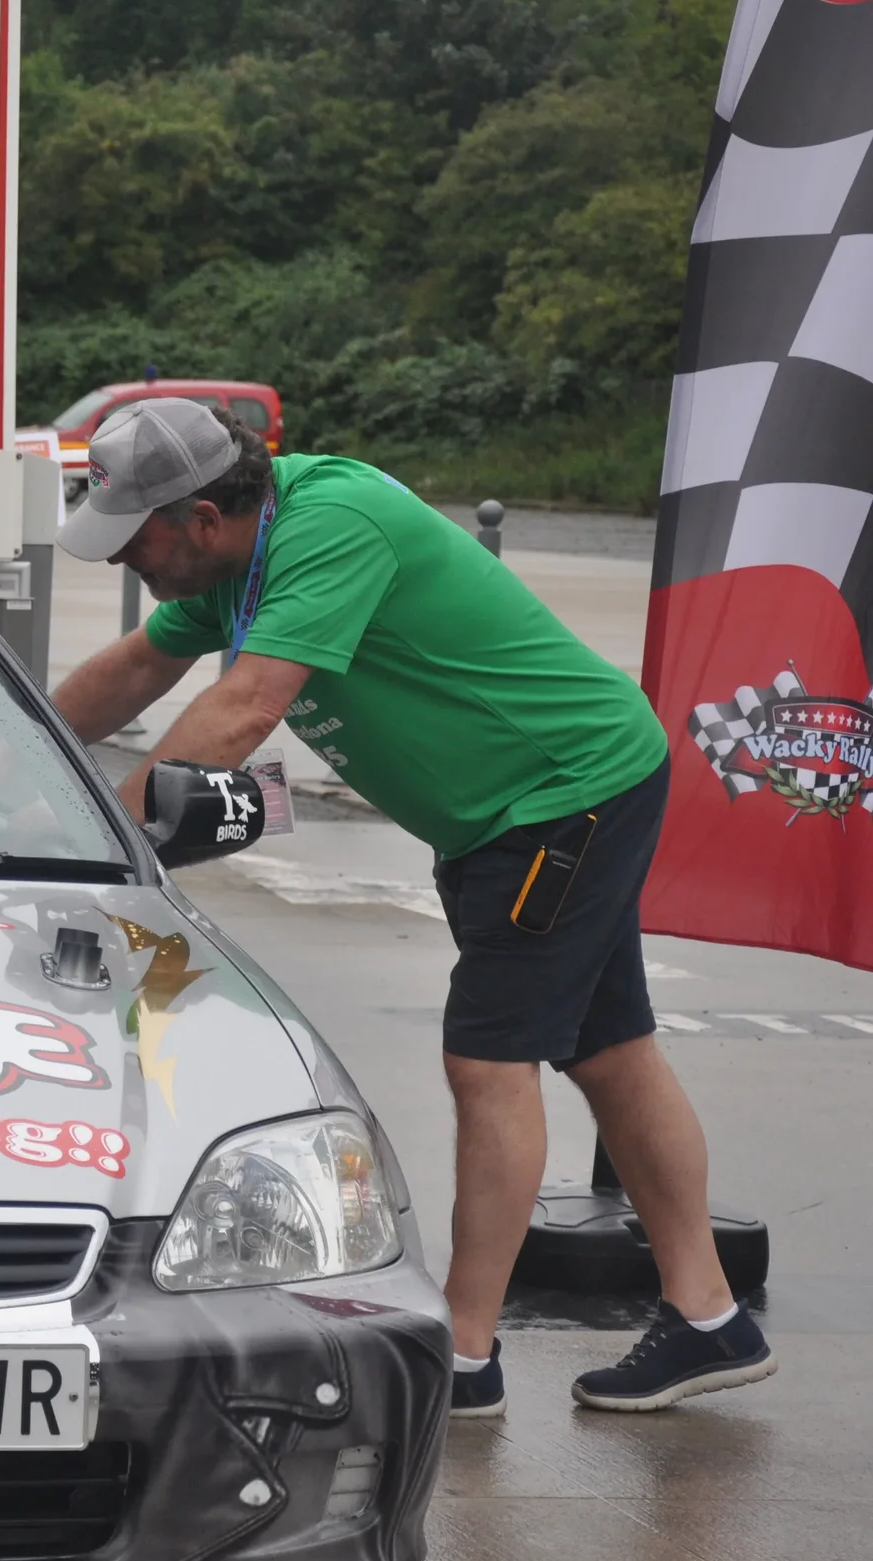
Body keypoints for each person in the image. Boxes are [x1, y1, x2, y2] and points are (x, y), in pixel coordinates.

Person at [48, 397, 771, 1416]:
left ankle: (460, 1357)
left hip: (557, 795)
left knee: (488, 1058)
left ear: (200, 517)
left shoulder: (328, 525)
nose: (130, 566)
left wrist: (104, 846)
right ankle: (708, 1318)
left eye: (135, 543)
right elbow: (134, 668)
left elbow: (245, 706)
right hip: (510, 809)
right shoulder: (240, 561)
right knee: (610, 1050)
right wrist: (9, 753)